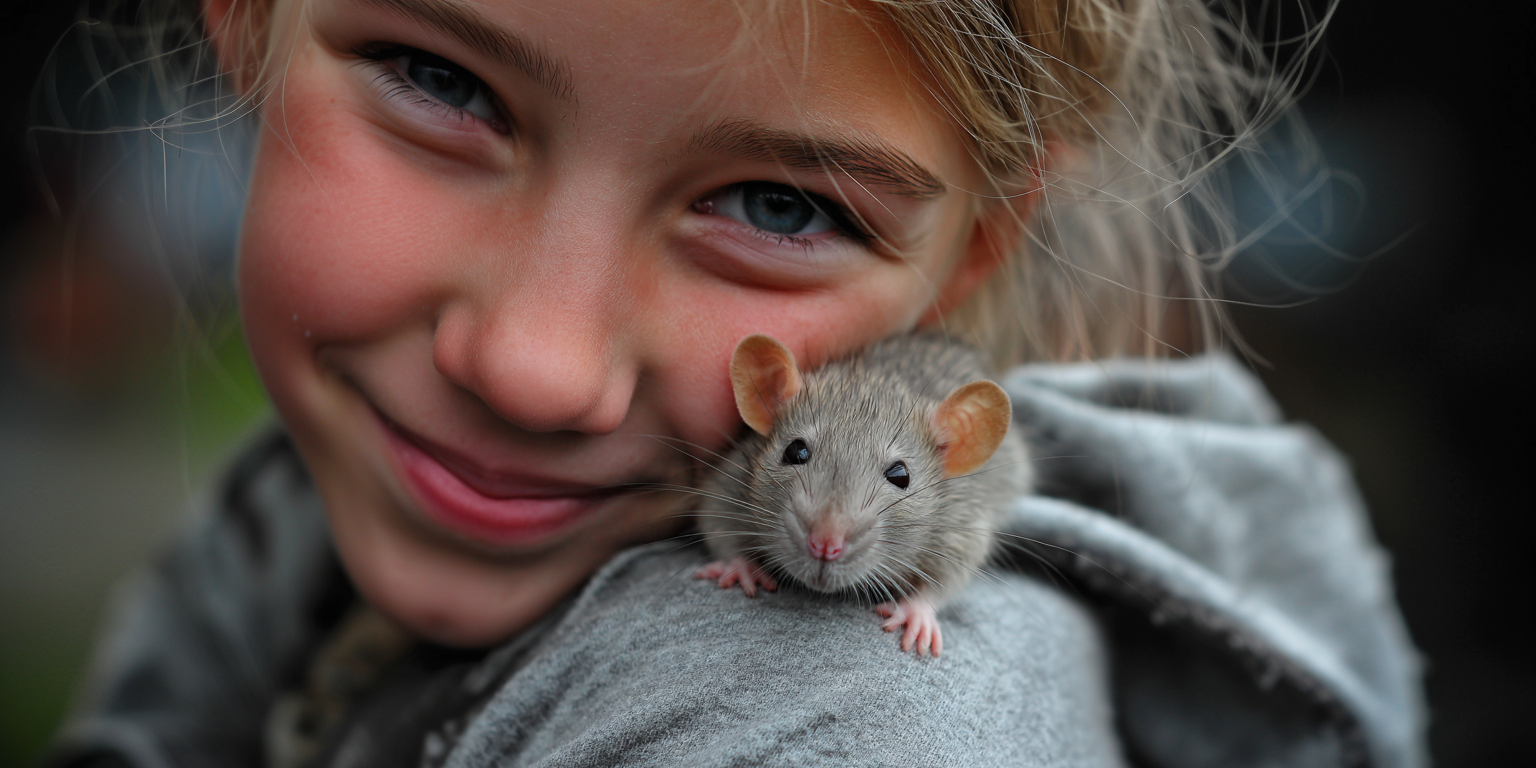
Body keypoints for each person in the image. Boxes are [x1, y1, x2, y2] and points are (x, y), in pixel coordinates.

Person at [43, 0, 1426, 766]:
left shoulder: (845, 727)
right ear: (241, 19)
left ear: (977, 248)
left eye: (777, 204)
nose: (536, 369)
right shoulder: (277, 523)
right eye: (437, 80)